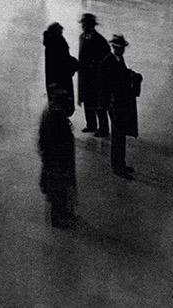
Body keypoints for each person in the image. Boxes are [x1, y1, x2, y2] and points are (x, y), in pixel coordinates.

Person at [37, 89, 77, 228]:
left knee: (59, 190)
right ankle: (58, 217)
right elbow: (60, 141)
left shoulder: (50, 113)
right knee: (59, 190)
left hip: (54, 159)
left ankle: (62, 213)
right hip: (58, 161)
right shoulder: (56, 117)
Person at [107, 34, 141, 176]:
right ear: (114, 47)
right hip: (116, 106)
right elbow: (106, 85)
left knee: (120, 137)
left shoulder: (119, 60)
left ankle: (121, 163)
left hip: (121, 104)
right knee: (117, 138)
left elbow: (122, 75)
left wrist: (132, 75)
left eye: (122, 48)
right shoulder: (108, 62)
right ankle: (118, 167)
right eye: (119, 48)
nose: (121, 50)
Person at [77, 13, 112, 136]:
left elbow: (106, 56)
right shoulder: (83, 37)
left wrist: (96, 65)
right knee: (88, 101)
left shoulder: (99, 40)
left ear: (92, 25)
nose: (84, 27)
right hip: (85, 75)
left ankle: (103, 129)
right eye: (83, 24)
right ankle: (91, 124)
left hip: (96, 77)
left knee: (99, 103)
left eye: (86, 24)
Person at [42, 22, 77, 110]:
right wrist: (76, 64)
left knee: (56, 105)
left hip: (52, 80)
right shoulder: (58, 42)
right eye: (60, 31)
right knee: (63, 105)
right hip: (62, 80)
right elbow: (64, 60)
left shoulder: (50, 42)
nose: (62, 32)